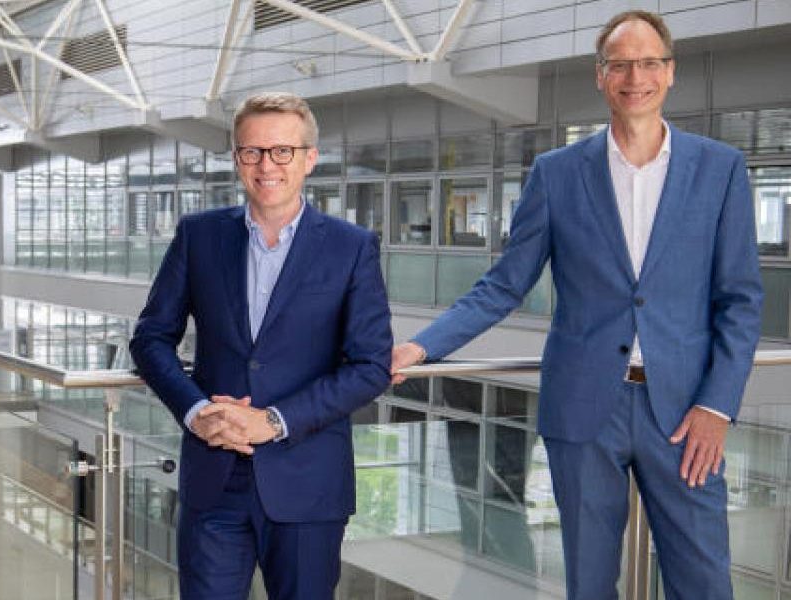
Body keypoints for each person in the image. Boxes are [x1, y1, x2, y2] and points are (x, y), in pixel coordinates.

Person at [390, 10, 760, 599]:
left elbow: (740, 299)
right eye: (621, 65)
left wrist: (717, 406)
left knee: (705, 583)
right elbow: (504, 284)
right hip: (585, 412)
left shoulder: (720, 168)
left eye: (648, 63)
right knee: (588, 585)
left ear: (670, 72)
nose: (635, 77)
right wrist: (421, 346)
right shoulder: (556, 173)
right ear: (600, 75)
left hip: (687, 414)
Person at [130, 92, 393, 599]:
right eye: (252, 152)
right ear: (237, 159)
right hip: (214, 476)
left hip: (307, 483)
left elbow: (370, 366)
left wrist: (273, 421)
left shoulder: (351, 246)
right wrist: (197, 412)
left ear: (309, 158)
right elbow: (151, 338)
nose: (266, 165)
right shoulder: (199, 236)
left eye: (282, 151)